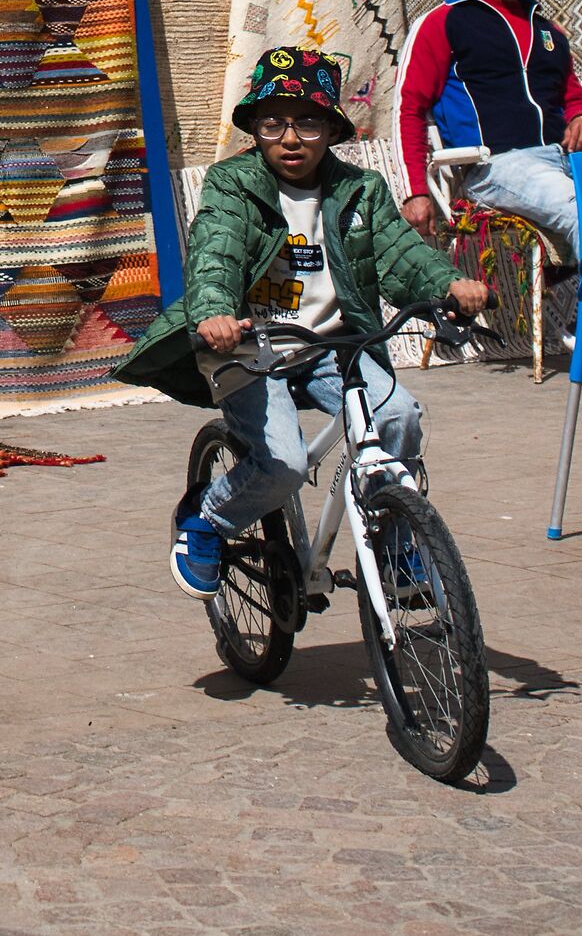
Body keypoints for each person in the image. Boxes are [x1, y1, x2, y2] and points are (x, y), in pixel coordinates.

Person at [115, 48, 489, 598]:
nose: (291, 138)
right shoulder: (233, 186)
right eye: (274, 122)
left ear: (332, 130)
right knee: (284, 463)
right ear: (256, 128)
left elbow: (401, 254)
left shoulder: (359, 191)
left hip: (330, 346)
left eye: (309, 122)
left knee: (401, 417)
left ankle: (391, 545)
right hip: (248, 346)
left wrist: (448, 286)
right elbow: (214, 252)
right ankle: (209, 516)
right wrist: (216, 311)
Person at [396, 0, 582, 264]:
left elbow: (571, 92)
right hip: (496, 166)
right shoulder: (446, 22)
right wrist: (415, 191)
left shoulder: (547, 29)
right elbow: (409, 107)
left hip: (565, 160)